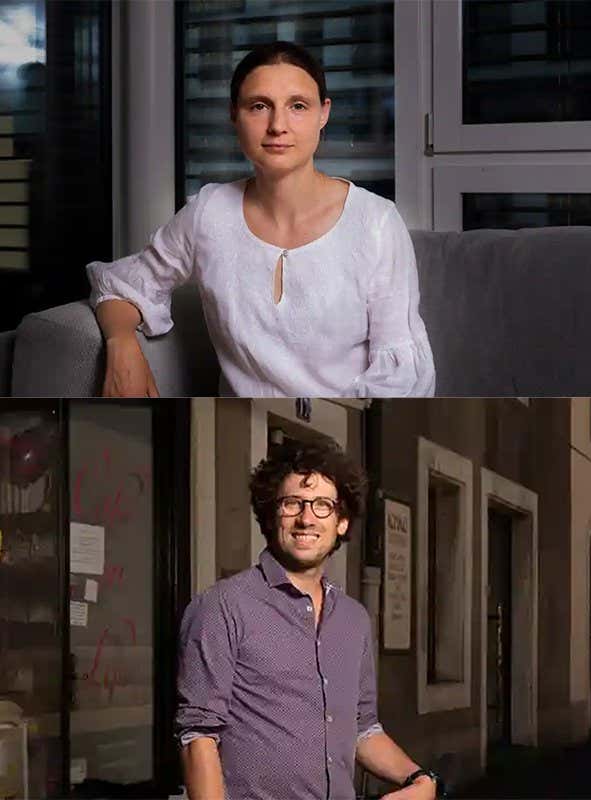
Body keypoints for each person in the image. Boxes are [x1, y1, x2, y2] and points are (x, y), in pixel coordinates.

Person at [88, 41, 435, 397]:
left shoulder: (376, 223)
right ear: (234, 115)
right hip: (240, 424)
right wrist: (121, 342)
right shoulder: (209, 213)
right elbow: (122, 285)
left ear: (323, 113)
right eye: (259, 106)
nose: (277, 125)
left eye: (297, 106)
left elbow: (403, 377)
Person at [174, 439, 441, 800]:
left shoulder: (354, 620)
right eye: (292, 503)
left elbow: (363, 728)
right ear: (271, 515)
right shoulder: (222, 606)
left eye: (322, 505)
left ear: (342, 522)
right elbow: (198, 735)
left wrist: (420, 779)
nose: (306, 518)